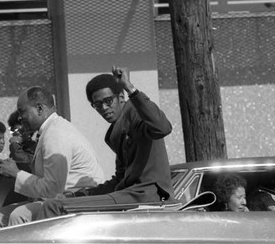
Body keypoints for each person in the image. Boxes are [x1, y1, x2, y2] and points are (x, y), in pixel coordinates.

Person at [36, 66, 174, 220]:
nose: (104, 108)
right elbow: (119, 180)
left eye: (108, 101)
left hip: (148, 196)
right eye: (98, 104)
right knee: (59, 202)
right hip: (128, 195)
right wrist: (78, 195)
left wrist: (130, 88)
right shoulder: (116, 131)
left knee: (54, 207)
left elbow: (162, 128)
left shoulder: (136, 114)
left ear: (121, 97)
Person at [0, 86, 105, 229]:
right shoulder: (50, 130)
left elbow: (52, 188)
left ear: (39, 108)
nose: (19, 117)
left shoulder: (56, 134)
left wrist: (16, 173)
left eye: (22, 111)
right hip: (59, 199)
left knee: (19, 216)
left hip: (76, 201)